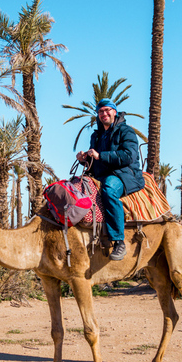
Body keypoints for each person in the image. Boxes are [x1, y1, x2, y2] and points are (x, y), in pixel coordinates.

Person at [76, 99, 145, 261]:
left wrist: (101, 156)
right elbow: (94, 165)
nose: (104, 114)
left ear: (115, 112)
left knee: (109, 190)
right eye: (100, 111)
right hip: (101, 175)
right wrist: (84, 160)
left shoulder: (126, 131)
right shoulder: (96, 136)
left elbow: (129, 156)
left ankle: (119, 241)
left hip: (123, 174)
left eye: (107, 110)